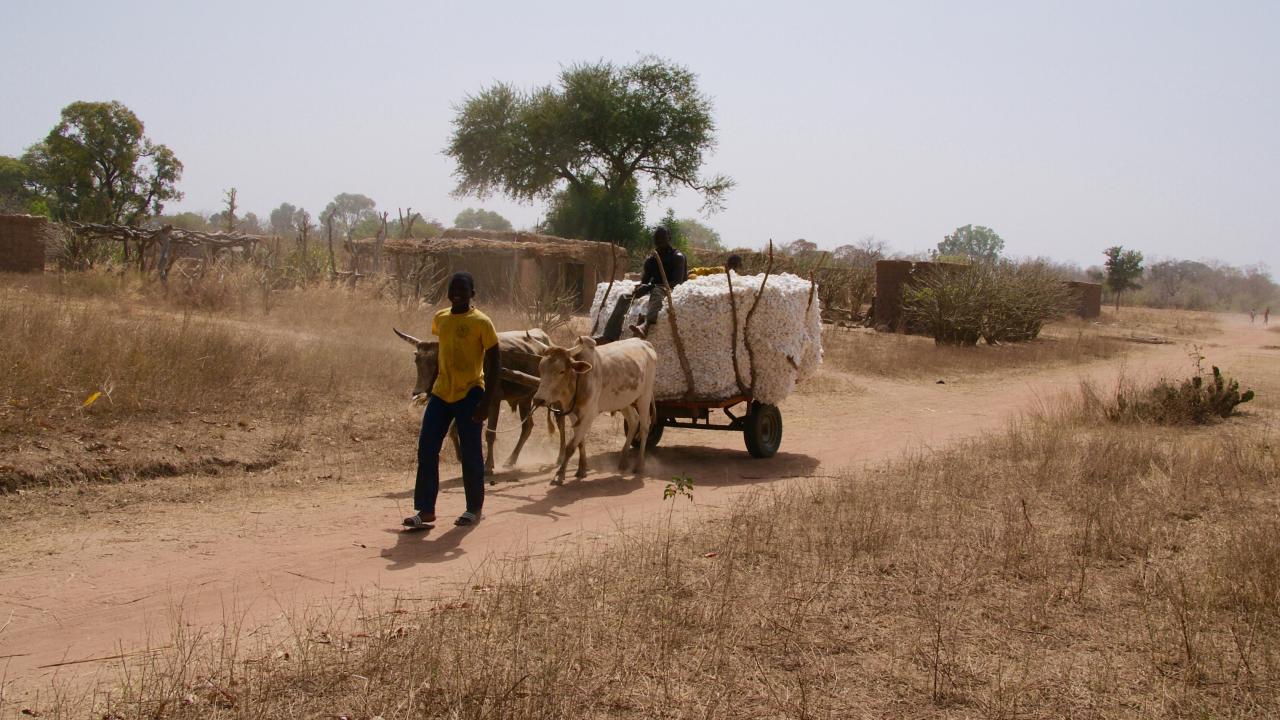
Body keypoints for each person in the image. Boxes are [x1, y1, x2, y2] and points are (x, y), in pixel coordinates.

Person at [403, 272, 500, 530]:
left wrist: (486, 402)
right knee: (427, 448)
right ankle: (425, 512)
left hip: (470, 393)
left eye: (463, 289)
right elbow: (441, 354)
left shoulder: (482, 322)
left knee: (470, 453)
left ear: (472, 294)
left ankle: (473, 509)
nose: (457, 293)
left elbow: (494, 362)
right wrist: (429, 388)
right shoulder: (441, 319)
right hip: (441, 393)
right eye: (453, 289)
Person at [628, 227, 688, 339]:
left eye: (662, 238)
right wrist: (640, 288)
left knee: (657, 291)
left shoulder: (677, 257)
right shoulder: (651, 260)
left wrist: (651, 287)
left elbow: (677, 283)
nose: (659, 241)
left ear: (669, 238)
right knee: (625, 296)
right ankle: (610, 333)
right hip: (654, 288)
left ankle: (645, 325)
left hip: (672, 289)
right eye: (657, 239)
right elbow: (644, 281)